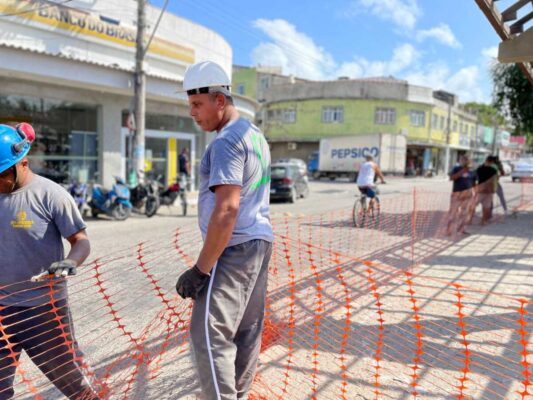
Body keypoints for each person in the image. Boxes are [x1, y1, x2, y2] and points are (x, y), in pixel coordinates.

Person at [175, 61, 274, 400]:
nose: (192, 112)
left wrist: (200, 270)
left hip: (234, 247)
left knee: (208, 335)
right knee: (246, 331)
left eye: (197, 104)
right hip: (259, 243)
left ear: (220, 100)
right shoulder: (254, 135)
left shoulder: (227, 142)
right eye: (189, 105)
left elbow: (227, 208)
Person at [0, 123, 101, 399]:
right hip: (1, 310)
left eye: (1, 176)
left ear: (23, 163)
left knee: (74, 385)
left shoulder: (50, 195)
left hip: (43, 310)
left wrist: (71, 262)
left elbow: (81, 241)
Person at [446, 155, 475, 235]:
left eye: (468, 160)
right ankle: (449, 230)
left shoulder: (472, 171)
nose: (466, 161)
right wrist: (461, 172)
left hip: (467, 195)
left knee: (465, 213)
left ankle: (462, 229)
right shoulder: (456, 169)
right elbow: (451, 178)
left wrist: (473, 192)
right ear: (461, 161)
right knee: (453, 212)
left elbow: (473, 183)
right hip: (457, 194)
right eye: (464, 160)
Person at [475, 155, 499, 225]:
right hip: (489, 190)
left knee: (473, 204)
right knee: (486, 206)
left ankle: (469, 220)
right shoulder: (494, 170)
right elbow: (496, 179)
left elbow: (476, 178)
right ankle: (483, 221)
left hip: (480, 189)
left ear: (486, 161)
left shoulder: (479, 169)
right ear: (491, 162)